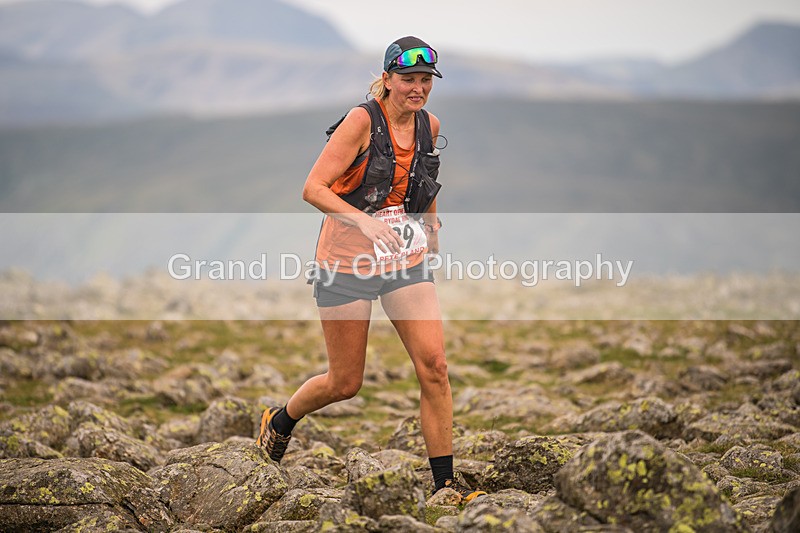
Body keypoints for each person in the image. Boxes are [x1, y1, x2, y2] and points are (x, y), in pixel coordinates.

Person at [256, 36, 486, 502]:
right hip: (346, 261)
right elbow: (313, 188)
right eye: (408, 79)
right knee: (345, 382)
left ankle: (445, 486)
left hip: (403, 259)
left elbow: (424, 179)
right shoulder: (361, 121)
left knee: (435, 367)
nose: (418, 88)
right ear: (387, 79)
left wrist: (431, 227)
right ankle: (281, 419)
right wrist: (364, 222)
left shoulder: (429, 124)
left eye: (426, 80)